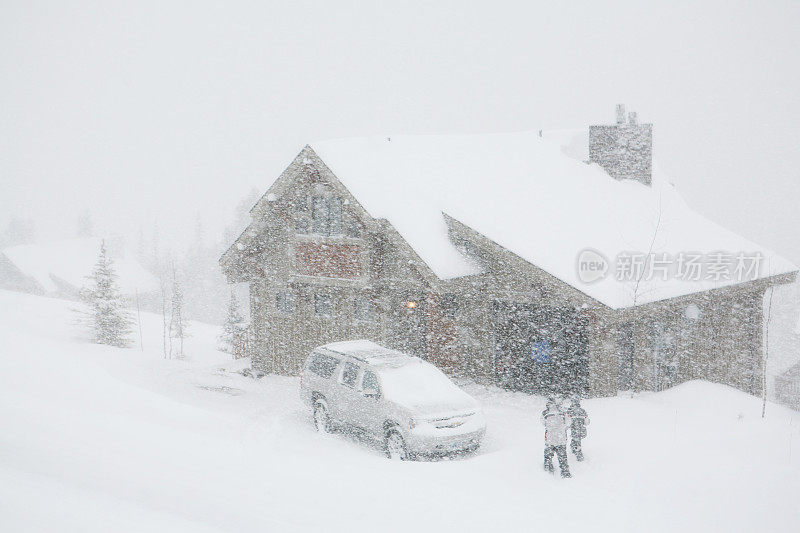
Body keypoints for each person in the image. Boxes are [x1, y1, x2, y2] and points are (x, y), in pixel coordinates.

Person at [541, 398, 571, 478]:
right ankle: (565, 474)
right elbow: (568, 423)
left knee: (548, 457)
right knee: (563, 458)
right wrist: (562, 428)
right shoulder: (563, 412)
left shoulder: (545, 413)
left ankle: (547, 472)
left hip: (550, 439)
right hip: (561, 439)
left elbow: (543, 423)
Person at [567, 397, 589, 461]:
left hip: (574, 429)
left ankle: (577, 453)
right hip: (581, 429)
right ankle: (577, 452)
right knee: (577, 440)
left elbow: (567, 422)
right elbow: (587, 422)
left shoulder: (569, 411)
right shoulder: (582, 411)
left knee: (575, 439)